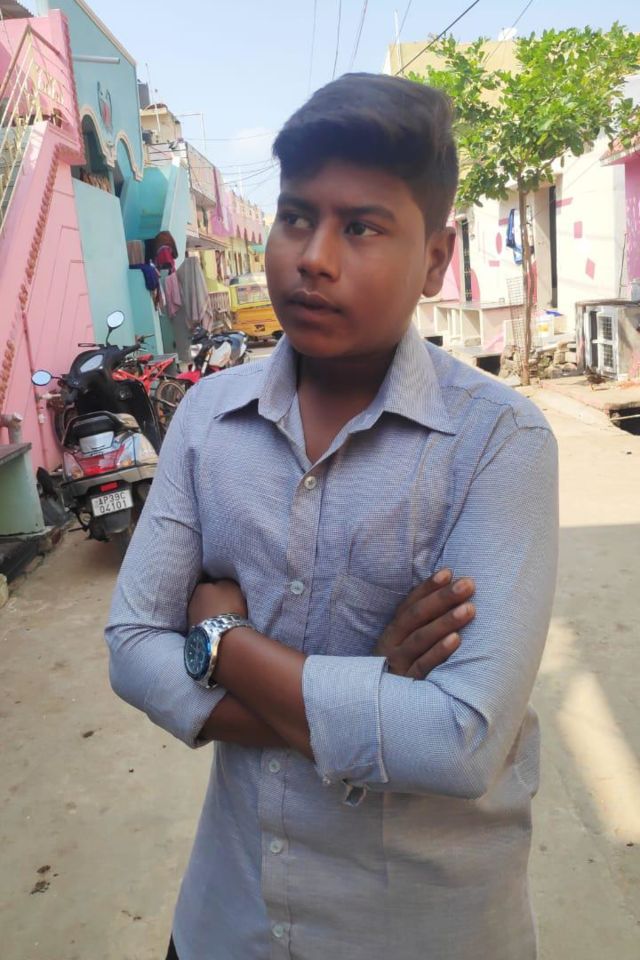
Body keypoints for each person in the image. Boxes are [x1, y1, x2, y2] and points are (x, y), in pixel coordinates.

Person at [106, 72, 558, 960]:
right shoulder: (208, 419)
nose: (313, 256)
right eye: (296, 216)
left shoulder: (497, 442)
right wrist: (371, 689)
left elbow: (461, 741)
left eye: (362, 227)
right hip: (229, 919)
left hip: (417, 929)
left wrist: (224, 642)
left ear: (436, 258)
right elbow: (130, 644)